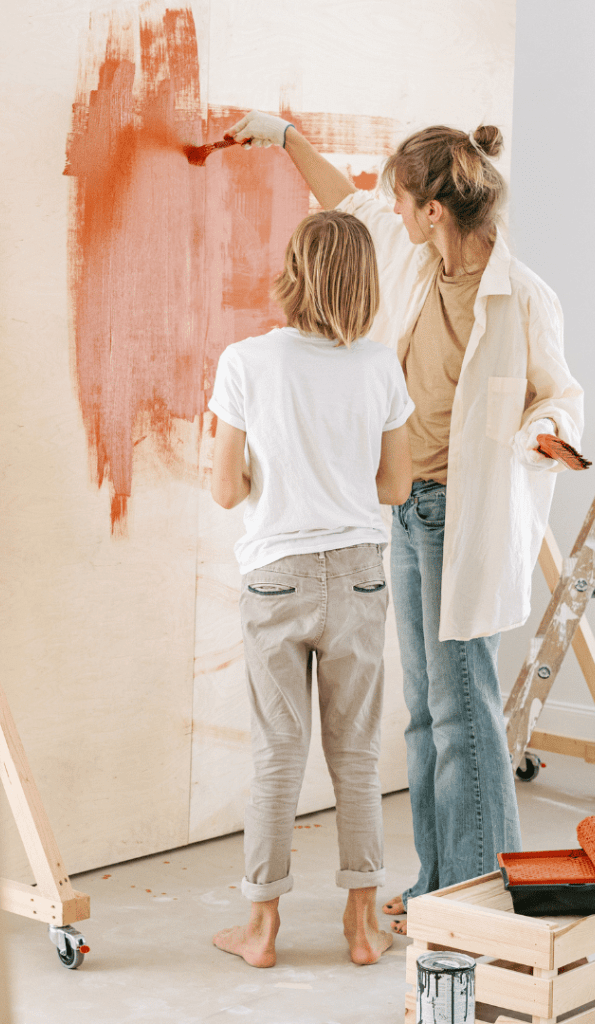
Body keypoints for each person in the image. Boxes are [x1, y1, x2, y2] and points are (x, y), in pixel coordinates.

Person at [226, 110, 584, 933]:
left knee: (464, 703)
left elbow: (559, 395)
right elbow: (346, 205)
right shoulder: (418, 256)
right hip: (408, 510)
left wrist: (546, 434)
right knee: (425, 713)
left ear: (433, 209)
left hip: (468, 515)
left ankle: (478, 890)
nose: (389, 206)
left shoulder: (522, 296)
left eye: (401, 196)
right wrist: (284, 139)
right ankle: (438, 882)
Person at [208, 209, 414, 967]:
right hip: (358, 571)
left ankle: (260, 931)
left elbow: (225, 488)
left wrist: (274, 473)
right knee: (356, 757)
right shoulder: (379, 365)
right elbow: (394, 484)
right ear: (364, 281)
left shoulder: (245, 361)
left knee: (276, 754)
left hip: (276, 577)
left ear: (293, 271)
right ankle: (363, 927)